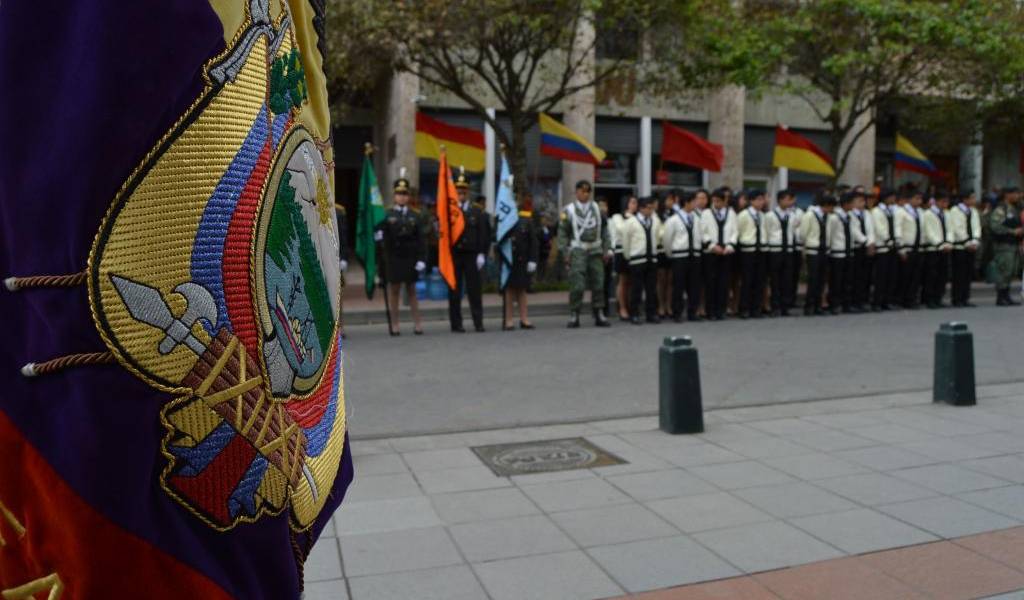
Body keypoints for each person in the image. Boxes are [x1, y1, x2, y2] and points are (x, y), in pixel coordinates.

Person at [558, 180, 613, 327]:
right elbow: (562, 233)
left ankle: (599, 313)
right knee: (577, 285)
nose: (585, 194)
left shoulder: (597, 209)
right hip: (578, 251)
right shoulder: (568, 211)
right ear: (576, 192)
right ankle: (574, 314)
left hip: (595, 250)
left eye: (588, 191)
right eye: (582, 191)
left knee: (598, 284)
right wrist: (565, 253)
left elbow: (605, 231)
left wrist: (607, 249)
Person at [377, 175, 427, 335]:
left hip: (410, 257)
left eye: (405, 194)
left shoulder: (415, 215)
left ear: (408, 196)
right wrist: (378, 234)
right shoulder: (387, 214)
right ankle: (395, 324)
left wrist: (421, 259)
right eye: (399, 193)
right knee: (394, 291)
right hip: (394, 257)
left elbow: (421, 240)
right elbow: (381, 233)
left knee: (411, 290)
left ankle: (417, 323)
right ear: (394, 195)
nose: (402, 197)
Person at [448, 168, 489, 332]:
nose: (461, 193)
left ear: (468, 191)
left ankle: (478, 322)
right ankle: (456, 324)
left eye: (464, 190)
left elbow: (484, 234)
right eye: (458, 190)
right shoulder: (449, 210)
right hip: (455, 254)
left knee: (474, 291)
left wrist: (482, 254)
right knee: (454, 291)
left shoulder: (477, 211)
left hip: (472, 255)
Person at [662, 191, 703, 322]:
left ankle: (692, 312)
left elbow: (700, 235)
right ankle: (677, 313)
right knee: (678, 285)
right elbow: (667, 239)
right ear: (687, 202)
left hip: (695, 255)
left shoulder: (697, 218)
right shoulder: (673, 220)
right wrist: (671, 254)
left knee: (694, 285)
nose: (696, 204)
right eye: (694, 201)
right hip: (680, 255)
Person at [622, 196, 661, 324]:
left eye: (652, 208)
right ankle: (634, 314)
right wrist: (629, 256)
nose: (651, 211)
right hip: (637, 260)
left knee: (651, 289)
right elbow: (626, 241)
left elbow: (657, 237)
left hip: (652, 259)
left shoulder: (655, 221)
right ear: (641, 209)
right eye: (648, 208)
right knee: (636, 289)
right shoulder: (631, 222)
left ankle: (651, 314)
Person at [502, 203, 540, 330]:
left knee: (522, 290)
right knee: (509, 290)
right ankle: (509, 320)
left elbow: (533, 242)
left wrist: (533, 260)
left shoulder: (526, 221)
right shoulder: (503, 221)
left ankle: (524, 319)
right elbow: (497, 239)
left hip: (522, 261)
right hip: (508, 261)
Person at [701, 187, 737, 320]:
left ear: (724, 201)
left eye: (718, 201)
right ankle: (711, 311)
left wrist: (730, 245)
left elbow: (734, 231)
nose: (716, 204)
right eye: (714, 201)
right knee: (711, 282)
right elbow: (703, 232)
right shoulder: (706, 213)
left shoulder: (731, 213)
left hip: (726, 251)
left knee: (724, 282)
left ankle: (721, 310)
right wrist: (711, 245)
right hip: (712, 251)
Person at [827, 192, 866, 314]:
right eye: (852, 203)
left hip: (849, 251)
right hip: (837, 252)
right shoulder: (834, 217)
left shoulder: (850, 216)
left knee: (848, 279)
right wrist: (829, 248)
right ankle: (835, 303)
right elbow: (830, 234)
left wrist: (865, 241)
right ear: (846, 204)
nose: (854, 205)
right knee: (837, 280)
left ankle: (846, 303)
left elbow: (854, 231)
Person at [800, 193, 835, 315]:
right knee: (813, 279)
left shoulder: (828, 217)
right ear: (825, 205)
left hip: (824, 249)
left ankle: (818, 304)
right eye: (831, 207)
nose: (832, 210)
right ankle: (809, 306)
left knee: (821, 279)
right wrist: (807, 245)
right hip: (813, 250)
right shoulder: (810, 215)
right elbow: (803, 233)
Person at [988, 186, 1023, 306]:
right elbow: (995, 226)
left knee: (1011, 270)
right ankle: (1000, 296)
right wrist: (1013, 231)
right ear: (1008, 195)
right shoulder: (1001, 209)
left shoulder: (1015, 208)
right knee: (1003, 269)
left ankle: (1006, 295)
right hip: (1003, 245)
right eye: (1016, 193)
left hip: (1013, 244)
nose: (1018, 196)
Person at [736, 189, 768, 319]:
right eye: (758, 199)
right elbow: (739, 231)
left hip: (761, 250)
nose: (761, 202)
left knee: (759, 280)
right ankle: (744, 308)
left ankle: (756, 308)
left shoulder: (763, 215)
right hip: (747, 251)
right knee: (747, 280)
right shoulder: (743, 215)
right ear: (751, 201)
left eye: (762, 199)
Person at [765, 189, 797, 316]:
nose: (790, 202)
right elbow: (767, 232)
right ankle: (775, 306)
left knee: (787, 279)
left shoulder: (792, 215)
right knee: (775, 279)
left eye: (791, 199)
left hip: (788, 249)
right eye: (788, 199)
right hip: (775, 250)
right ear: (780, 200)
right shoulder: (770, 215)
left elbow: (793, 231)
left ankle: (785, 306)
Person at [949, 191, 982, 307]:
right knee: (959, 274)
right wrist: (966, 242)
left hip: (971, 246)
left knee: (968, 273)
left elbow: (977, 226)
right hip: (960, 246)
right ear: (965, 199)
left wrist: (975, 241)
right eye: (972, 198)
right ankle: (957, 298)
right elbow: (957, 228)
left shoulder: (973, 211)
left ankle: (965, 297)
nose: (974, 200)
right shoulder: (955, 210)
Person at [870, 188, 901, 310]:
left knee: (891, 275)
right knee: (881, 276)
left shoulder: (894, 210)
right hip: (883, 246)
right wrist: (887, 239)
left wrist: (897, 239)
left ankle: (887, 300)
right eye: (891, 197)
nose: (893, 199)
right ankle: (877, 301)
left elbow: (897, 225)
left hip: (892, 246)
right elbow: (879, 227)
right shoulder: (877, 211)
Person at [921, 189, 952, 308]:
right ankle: (929, 298)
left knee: (942, 274)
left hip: (945, 247)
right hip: (933, 248)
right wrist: (939, 244)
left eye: (947, 202)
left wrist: (948, 242)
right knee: (931, 275)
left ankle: (938, 297)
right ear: (937, 201)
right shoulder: (928, 214)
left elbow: (950, 229)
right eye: (943, 202)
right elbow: (929, 232)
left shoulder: (947, 213)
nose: (945, 204)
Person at [895, 186, 925, 309]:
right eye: (916, 198)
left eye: (920, 199)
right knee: (905, 276)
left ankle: (912, 298)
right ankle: (902, 299)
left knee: (915, 276)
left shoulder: (920, 212)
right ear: (909, 199)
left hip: (918, 247)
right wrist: (901, 248)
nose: (919, 201)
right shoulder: (901, 212)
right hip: (907, 247)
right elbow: (898, 230)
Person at [609, 195, 638, 320]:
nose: (634, 205)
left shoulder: (637, 218)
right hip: (621, 251)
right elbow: (622, 229)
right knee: (623, 281)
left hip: (634, 251)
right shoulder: (617, 217)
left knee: (632, 282)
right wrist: (631, 219)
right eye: (632, 202)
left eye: (636, 203)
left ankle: (631, 307)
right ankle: (622, 308)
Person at [850, 190, 875, 311]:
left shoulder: (867, 214)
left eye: (863, 201)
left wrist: (870, 243)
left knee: (865, 276)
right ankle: (853, 301)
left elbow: (871, 229)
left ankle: (862, 300)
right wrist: (865, 241)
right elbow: (854, 231)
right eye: (859, 201)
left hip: (866, 247)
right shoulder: (850, 214)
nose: (862, 203)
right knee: (854, 275)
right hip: (856, 247)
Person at [656, 192, 677, 319]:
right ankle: (661, 305)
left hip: (673, 248)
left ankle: (669, 305)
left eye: (672, 200)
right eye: (668, 199)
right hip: (660, 250)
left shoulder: (675, 214)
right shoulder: (657, 215)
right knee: (661, 279)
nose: (670, 202)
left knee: (670, 280)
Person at [335, 202, 350, 338]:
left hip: (335, 256)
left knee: (338, 294)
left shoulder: (339, 211)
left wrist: (344, 258)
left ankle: (340, 326)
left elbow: (343, 237)